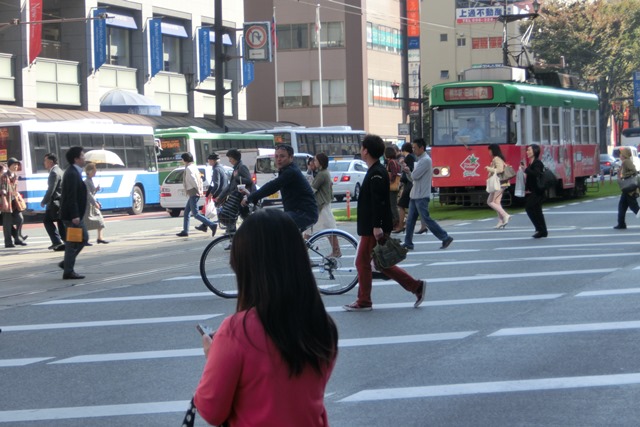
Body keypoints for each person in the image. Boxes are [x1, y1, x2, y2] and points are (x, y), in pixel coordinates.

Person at [193, 209, 338, 426]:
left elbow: (211, 410)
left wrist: (212, 356)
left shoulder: (236, 331)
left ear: (247, 270)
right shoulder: (322, 325)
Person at [343, 134, 426, 312]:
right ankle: (415, 286)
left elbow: (378, 202)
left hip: (373, 227)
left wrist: (377, 226)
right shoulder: (376, 170)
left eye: (362, 148)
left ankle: (364, 301)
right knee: (381, 263)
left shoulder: (376, 173)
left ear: (366, 151)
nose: (360, 150)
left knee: (362, 262)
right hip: (373, 225)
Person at [244, 144, 318, 231]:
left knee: (275, 224)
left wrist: (252, 197)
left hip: (305, 214)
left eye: (282, 156)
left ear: (291, 157)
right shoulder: (285, 170)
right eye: (276, 156)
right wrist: (254, 196)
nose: (278, 159)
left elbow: (273, 186)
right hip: (295, 211)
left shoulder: (291, 172)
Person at [402, 138, 454, 251]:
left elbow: (415, 176)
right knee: (410, 220)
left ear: (422, 148)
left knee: (426, 219)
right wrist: (407, 172)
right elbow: (413, 178)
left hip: (421, 195)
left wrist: (410, 171)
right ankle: (408, 242)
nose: (413, 150)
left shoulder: (425, 160)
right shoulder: (420, 160)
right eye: (413, 148)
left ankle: (445, 237)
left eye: (415, 148)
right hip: (415, 194)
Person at [59, 147, 88, 279]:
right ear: (76, 159)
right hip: (72, 216)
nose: (84, 158)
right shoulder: (71, 173)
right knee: (74, 242)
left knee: (80, 239)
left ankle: (67, 264)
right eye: (82, 156)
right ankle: (68, 270)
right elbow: (71, 196)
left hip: (74, 214)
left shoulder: (75, 172)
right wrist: (75, 215)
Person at [176, 152, 218, 237]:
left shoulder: (189, 168)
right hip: (194, 191)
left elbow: (194, 180)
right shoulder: (193, 167)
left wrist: (198, 190)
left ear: (185, 159)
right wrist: (200, 189)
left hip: (193, 192)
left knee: (195, 214)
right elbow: (199, 179)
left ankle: (211, 224)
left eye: (182, 159)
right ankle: (185, 230)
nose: (182, 160)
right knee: (186, 212)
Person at [309, 153, 341, 256]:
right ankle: (336, 251)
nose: (314, 162)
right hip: (323, 204)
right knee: (312, 230)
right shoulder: (324, 173)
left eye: (315, 160)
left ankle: (336, 251)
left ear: (320, 162)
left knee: (327, 229)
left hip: (321, 205)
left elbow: (312, 189)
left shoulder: (322, 174)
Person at [394, 143, 427, 234]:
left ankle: (401, 225)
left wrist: (403, 165)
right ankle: (422, 226)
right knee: (417, 207)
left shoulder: (409, 158)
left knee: (401, 205)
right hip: (412, 184)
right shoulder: (414, 157)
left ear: (404, 150)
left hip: (410, 184)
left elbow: (409, 171)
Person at [217, 148, 252, 233]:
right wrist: (221, 196)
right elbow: (230, 185)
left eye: (230, 158)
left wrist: (237, 177)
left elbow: (249, 180)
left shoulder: (241, 167)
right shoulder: (236, 168)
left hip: (240, 198)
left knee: (242, 217)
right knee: (237, 217)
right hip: (236, 198)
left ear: (235, 158)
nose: (229, 161)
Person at [195, 153, 228, 233]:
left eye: (209, 160)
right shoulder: (221, 168)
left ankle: (208, 225)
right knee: (209, 209)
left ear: (213, 161)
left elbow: (216, 184)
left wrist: (211, 194)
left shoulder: (216, 169)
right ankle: (205, 225)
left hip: (218, 193)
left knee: (208, 209)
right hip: (223, 192)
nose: (208, 161)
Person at [41, 153, 65, 251]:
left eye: (45, 161)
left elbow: (51, 189)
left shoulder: (54, 172)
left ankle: (57, 241)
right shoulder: (60, 171)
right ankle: (64, 242)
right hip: (61, 201)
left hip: (55, 202)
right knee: (60, 222)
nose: (44, 163)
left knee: (47, 220)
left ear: (51, 162)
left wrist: (44, 201)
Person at [523, 143, 548, 238]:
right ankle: (542, 230)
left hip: (538, 191)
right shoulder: (531, 162)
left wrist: (525, 170)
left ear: (535, 151)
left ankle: (540, 229)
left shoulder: (537, 163)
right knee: (537, 210)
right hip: (534, 190)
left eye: (529, 150)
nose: (527, 152)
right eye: (527, 150)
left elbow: (536, 174)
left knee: (530, 208)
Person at [1, 158, 27, 248]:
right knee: (7, 223)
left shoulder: (15, 176)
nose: (16, 166)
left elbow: (15, 189)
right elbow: (3, 189)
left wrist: (18, 197)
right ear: (9, 166)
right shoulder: (4, 176)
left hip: (14, 201)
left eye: (17, 164)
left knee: (20, 218)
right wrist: (4, 201)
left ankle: (17, 238)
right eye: (14, 164)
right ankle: (8, 242)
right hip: (7, 201)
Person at [485, 143, 512, 229]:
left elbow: (500, 170)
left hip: (499, 183)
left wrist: (489, 169)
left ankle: (505, 215)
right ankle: (501, 221)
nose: (489, 152)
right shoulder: (498, 158)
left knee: (491, 201)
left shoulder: (496, 158)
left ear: (493, 150)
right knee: (496, 202)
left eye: (489, 150)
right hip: (500, 183)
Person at [614, 146, 640, 229]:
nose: (620, 156)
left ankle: (621, 224)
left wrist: (625, 176)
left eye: (621, 154)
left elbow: (634, 171)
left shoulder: (626, 162)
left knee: (634, 207)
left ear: (624, 155)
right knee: (622, 206)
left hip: (629, 189)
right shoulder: (625, 162)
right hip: (627, 189)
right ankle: (621, 224)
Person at [83, 162, 108, 244]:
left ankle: (100, 238)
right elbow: (88, 194)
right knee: (85, 223)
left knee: (100, 219)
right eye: (94, 171)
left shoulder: (90, 180)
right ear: (89, 172)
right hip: (87, 205)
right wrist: (95, 203)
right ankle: (84, 239)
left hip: (91, 204)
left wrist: (96, 189)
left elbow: (91, 193)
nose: (95, 173)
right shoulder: (86, 181)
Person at [385, 146, 401, 230]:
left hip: (392, 186)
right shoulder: (395, 161)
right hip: (396, 186)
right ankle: (396, 221)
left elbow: (394, 173)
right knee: (393, 204)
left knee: (392, 205)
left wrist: (390, 181)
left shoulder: (391, 162)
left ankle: (397, 222)